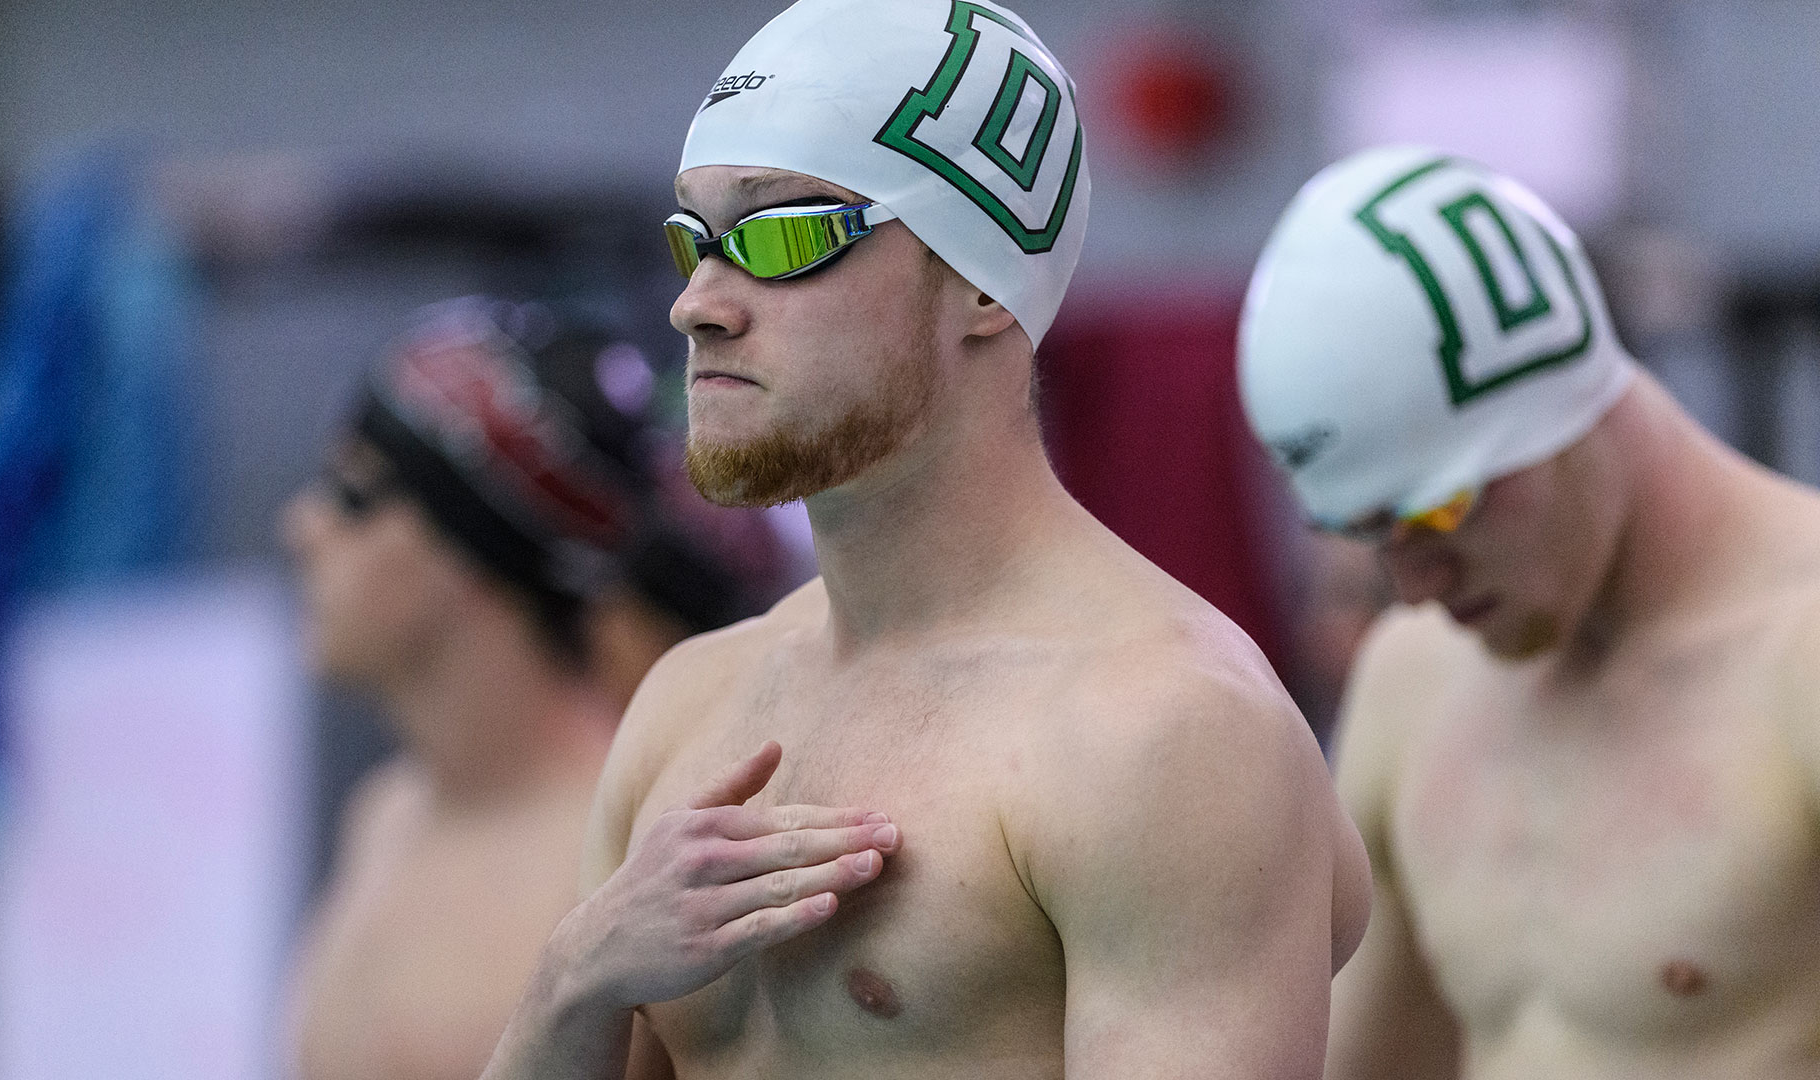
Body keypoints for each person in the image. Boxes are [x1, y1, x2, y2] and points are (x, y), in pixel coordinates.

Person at [482, 2, 1370, 1077]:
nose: (699, 305)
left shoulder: (1165, 733)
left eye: (782, 236)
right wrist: (573, 980)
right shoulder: (687, 704)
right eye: (694, 242)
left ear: (982, 283)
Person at [1238, 144, 1820, 1079]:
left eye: (1437, 513)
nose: (1414, 586)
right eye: (1368, 534)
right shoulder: (1411, 679)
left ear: (1561, 402)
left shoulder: (1802, 656)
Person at [282, 296, 781, 1080]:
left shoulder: (634, 845)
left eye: (352, 495)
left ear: (473, 548)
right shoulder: (384, 817)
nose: (301, 527)